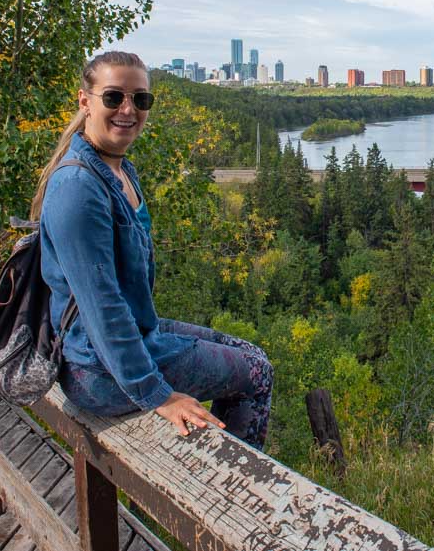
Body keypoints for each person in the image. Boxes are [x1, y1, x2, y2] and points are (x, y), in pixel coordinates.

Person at [30, 51, 272, 449]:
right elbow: (102, 309)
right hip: (98, 370)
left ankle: (204, 465)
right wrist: (158, 394)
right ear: (85, 101)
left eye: (141, 100)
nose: (128, 109)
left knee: (250, 353)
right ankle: (227, 489)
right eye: (114, 97)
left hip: (133, 337)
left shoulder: (119, 170)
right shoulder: (78, 188)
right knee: (256, 373)